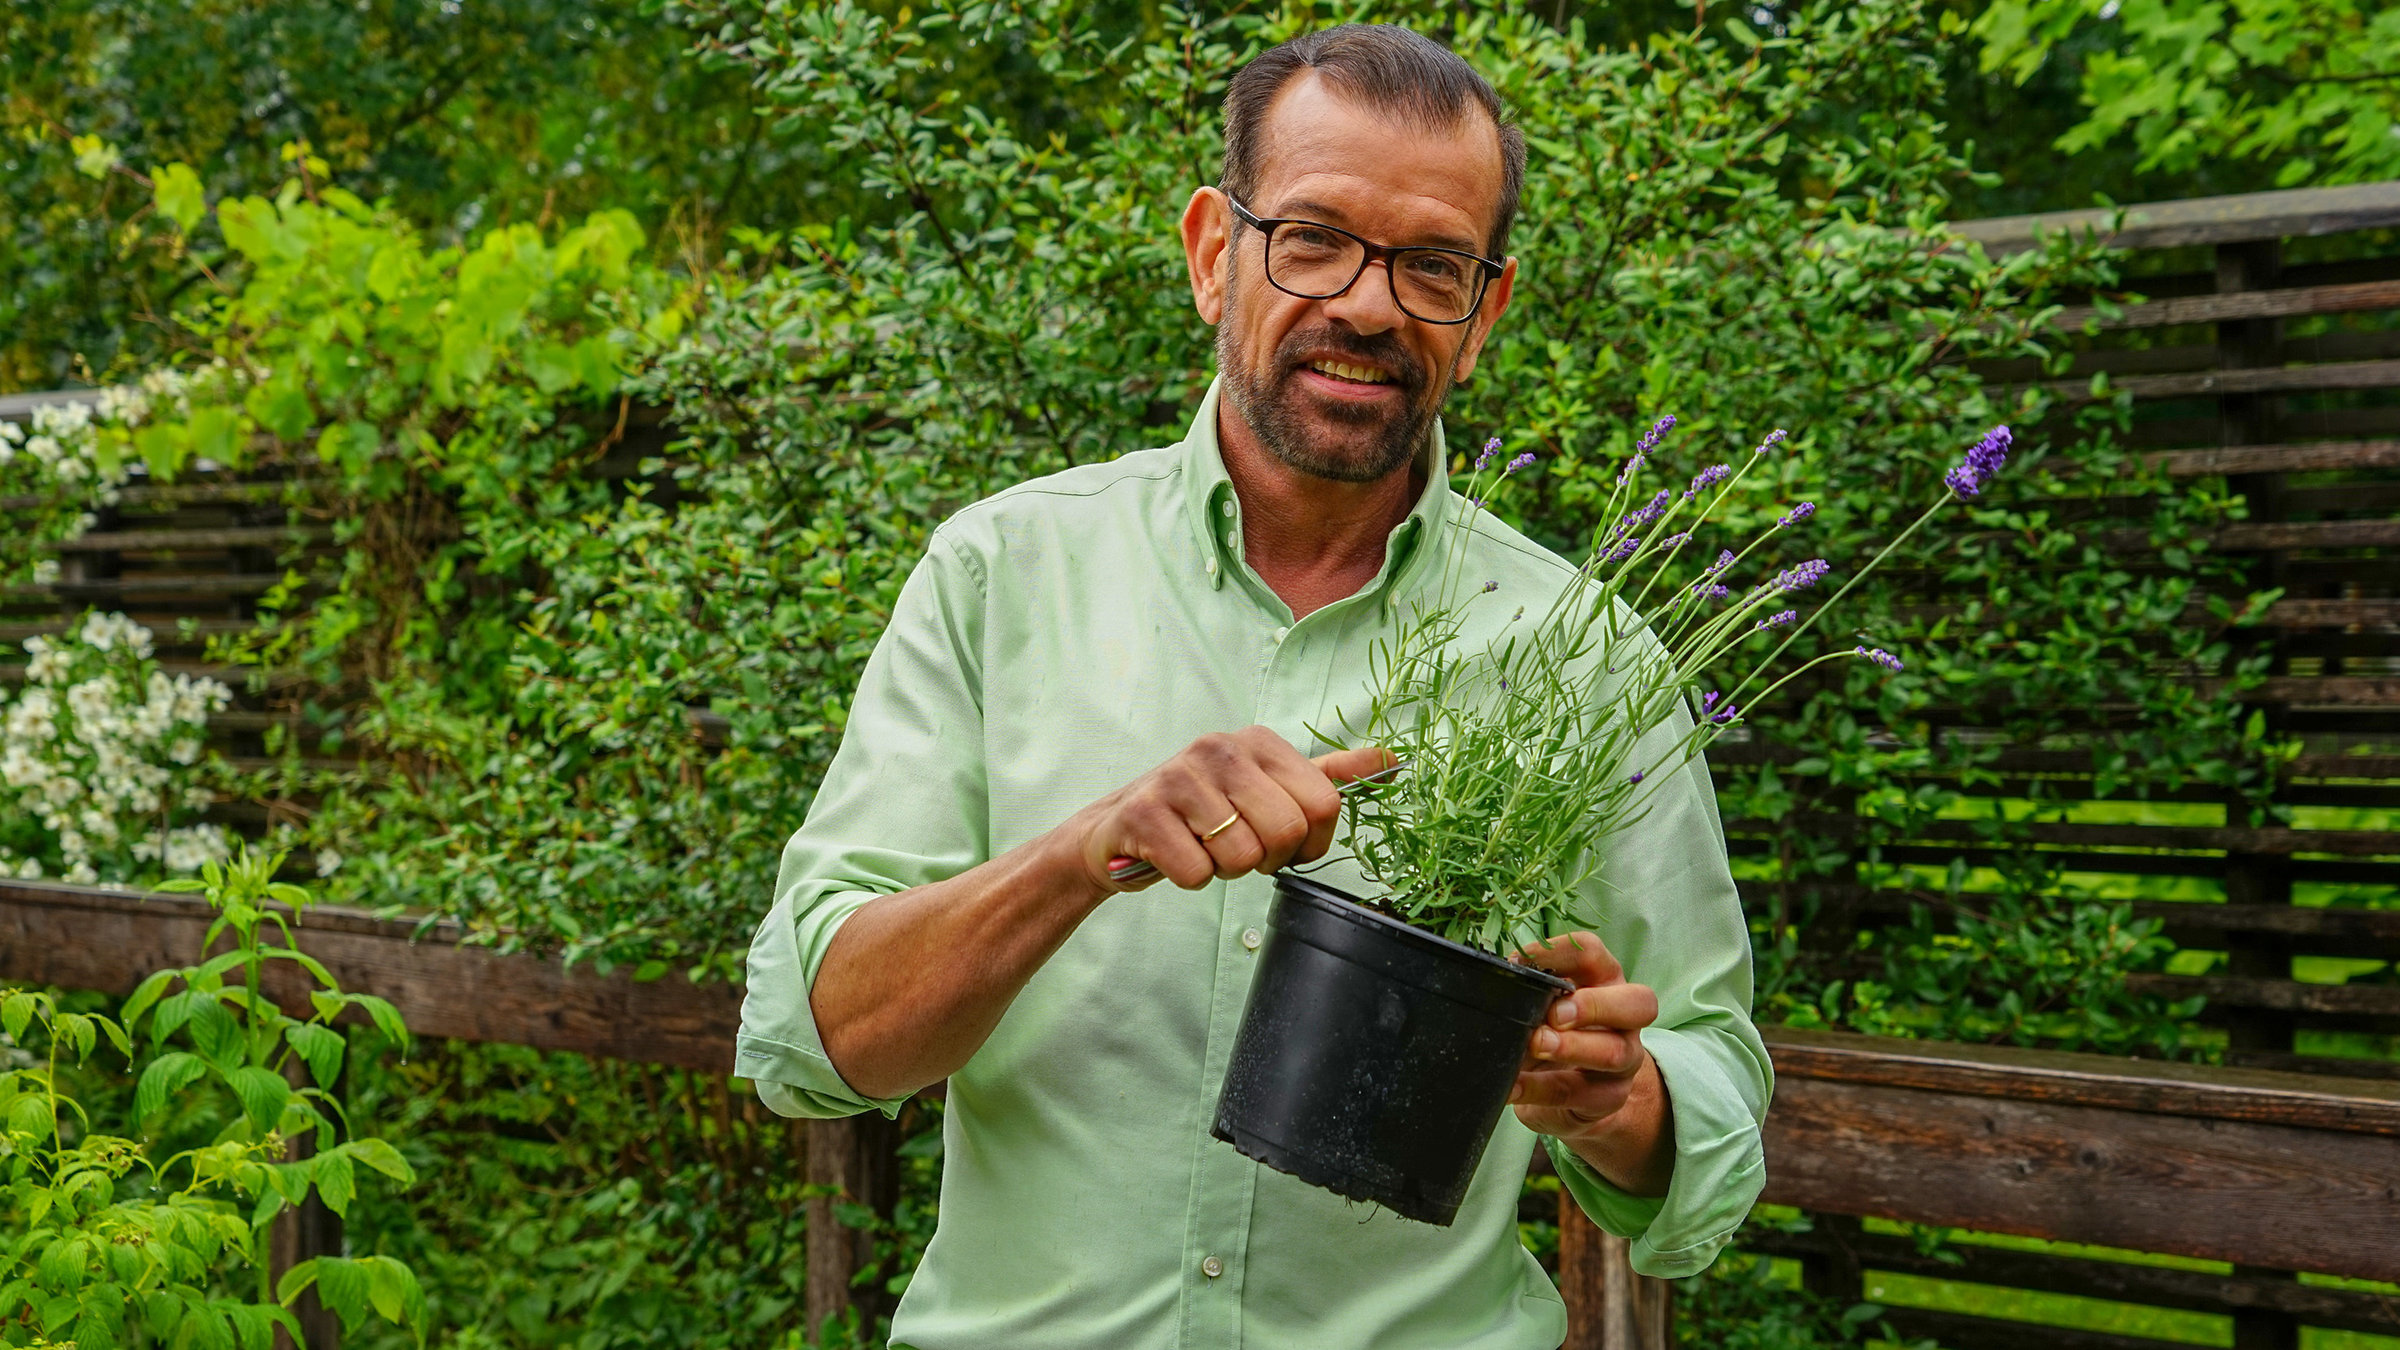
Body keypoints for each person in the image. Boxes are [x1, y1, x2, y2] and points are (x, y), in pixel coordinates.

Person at [737, 23, 1769, 1349]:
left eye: (1431, 266)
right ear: (1215, 251)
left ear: (1485, 311)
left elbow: (1715, 1096)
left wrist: (1624, 1104)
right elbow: (816, 1042)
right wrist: (1083, 852)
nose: (1370, 303)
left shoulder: (1587, 656)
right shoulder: (1002, 572)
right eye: (1317, 238)